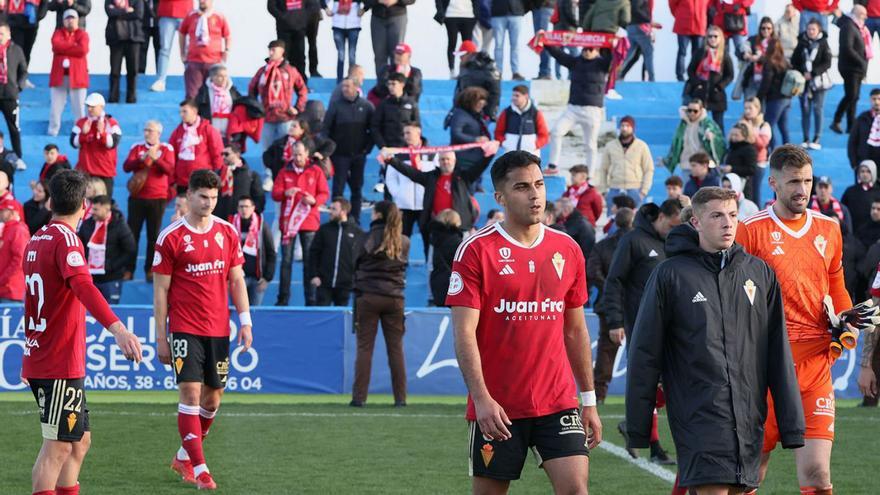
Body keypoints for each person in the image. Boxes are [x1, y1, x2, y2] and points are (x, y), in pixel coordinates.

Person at [628, 186, 805, 495]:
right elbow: (645, 353)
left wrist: (791, 424)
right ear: (695, 222)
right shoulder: (670, 275)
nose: (727, 223)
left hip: (749, 415)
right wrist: (638, 426)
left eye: (733, 215)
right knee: (712, 488)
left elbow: (778, 351)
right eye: (717, 216)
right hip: (697, 412)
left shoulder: (759, 273)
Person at [447, 150, 602, 493]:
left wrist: (588, 400)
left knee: (576, 489)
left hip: (558, 400)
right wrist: (482, 398)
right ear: (500, 197)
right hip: (499, 406)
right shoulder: (476, 250)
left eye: (539, 184)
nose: (534, 195)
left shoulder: (568, 248)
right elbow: (464, 333)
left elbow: (575, 330)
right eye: (522, 187)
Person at [735, 145, 861, 495]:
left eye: (807, 180)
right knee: (748, 475)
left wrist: (847, 318)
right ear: (773, 182)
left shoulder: (829, 228)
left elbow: (837, 287)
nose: (802, 189)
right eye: (793, 181)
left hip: (816, 366)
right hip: (764, 369)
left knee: (818, 474)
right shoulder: (750, 231)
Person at [23, 170, 142, 495]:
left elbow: (35, 303)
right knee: (59, 446)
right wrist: (118, 329)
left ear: (50, 201)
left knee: (78, 442)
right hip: (57, 360)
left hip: (48, 356)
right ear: (85, 207)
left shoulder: (37, 238)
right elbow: (83, 285)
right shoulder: (66, 239)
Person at [153, 169, 251, 491]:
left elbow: (236, 279)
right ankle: (201, 469)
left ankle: (184, 454)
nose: (209, 203)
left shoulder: (227, 232)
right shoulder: (171, 237)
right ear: (189, 196)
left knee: (212, 400)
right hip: (184, 328)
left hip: (219, 329)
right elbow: (161, 292)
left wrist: (245, 321)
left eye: (213, 197)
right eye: (202, 197)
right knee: (190, 393)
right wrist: (161, 338)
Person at [351, 200, 409, 406]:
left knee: (364, 348)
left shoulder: (365, 238)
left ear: (377, 215)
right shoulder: (404, 241)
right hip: (395, 299)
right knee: (396, 349)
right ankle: (400, 399)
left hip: (368, 297)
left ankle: (359, 399)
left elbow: (354, 264)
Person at [271, 141, 329, 306]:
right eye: (294, 154)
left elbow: (324, 193)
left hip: (309, 221)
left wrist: (314, 201)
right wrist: (285, 193)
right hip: (289, 223)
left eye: (300, 154)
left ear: (307, 154)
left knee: (310, 262)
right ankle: (283, 298)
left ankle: (310, 299)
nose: (297, 157)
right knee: (286, 261)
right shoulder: (284, 172)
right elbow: (275, 194)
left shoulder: (315, 171)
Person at [382, 147, 488, 232]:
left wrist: (489, 154)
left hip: (460, 227)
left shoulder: (464, 177)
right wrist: (391, 160)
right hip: (438, 227)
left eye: (448, 159)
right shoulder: (431, 177)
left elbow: (480, 167)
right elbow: (411, 173)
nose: (445, 162)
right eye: (442, 159)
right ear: (438, 161)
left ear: (454, 161)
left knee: (461, 258)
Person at [588, 207, 633, 403]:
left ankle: (599, 395)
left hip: (607, 303)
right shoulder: (639, 243)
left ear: (615, 222)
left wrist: (610, 286)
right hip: (635, 303)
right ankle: (653, 396)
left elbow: (593, 271)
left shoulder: (603, 245)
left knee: (606, 352)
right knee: (645, 349)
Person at [544, 41, 611, 172]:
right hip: (573, 109)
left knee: (590, 144)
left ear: (596, 50)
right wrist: (546, 42)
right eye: (585, 49)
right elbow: (559, 54)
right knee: (556, 132)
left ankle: (590, 175)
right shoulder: (575, 62)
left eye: (590, 49)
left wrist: (613, 44)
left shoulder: (602, 64)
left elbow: (616, 56)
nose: (587, 51)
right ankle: (553, 165)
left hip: (593, 111)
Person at [123, 120, 174, 281]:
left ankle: (150, 270)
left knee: (154, 236)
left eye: (151, 130)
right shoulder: (136, 147)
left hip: (157, 197)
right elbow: (126, 167)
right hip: (137, 197)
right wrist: (141, 159)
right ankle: (128, 269)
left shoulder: (167, 148)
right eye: (146, 130)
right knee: (132, 234)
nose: (147, 133)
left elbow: (169, 170)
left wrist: (156, 159)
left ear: (158, 133)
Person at [323, 77, 374, 222]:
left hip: (359, 155)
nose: (344, 89)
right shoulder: (335, 106)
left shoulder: (367, 106)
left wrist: (367, 149)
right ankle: (336, 218)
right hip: (339, 156)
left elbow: (374, 129)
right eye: (343, 86)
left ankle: (355, 219)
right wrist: (329, 151)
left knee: (356, 189)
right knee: (338, 189)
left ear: (356, 87)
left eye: (347, 86)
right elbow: (325, 130)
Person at [383, 123, 435, 256]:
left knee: (428, 241)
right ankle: (400, 271)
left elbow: (436, 177)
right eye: (404, 133)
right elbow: (390, 178)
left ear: (419, 133)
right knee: (401, 240)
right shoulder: (399, 153)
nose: (406, 136)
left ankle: (430, 270)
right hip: (404, 205)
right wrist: (398, 194)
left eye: (408, 133)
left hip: (425, 206)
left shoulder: (432, 153)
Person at [249, 39, 308, 151]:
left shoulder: (290, 70)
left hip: (285, 117)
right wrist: (256, 109)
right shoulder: (262, 71)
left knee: (286, 149)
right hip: (267, 118)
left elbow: (302, 89)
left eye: (273, 50)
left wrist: (297, 108)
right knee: (267, 151)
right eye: (269, 50)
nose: (271, 53)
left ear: (282, 51)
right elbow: (252, 89)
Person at [77, 194, 136, 304]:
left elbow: (130, 250)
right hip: (90, 279)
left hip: (111, 278)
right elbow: (79, 245)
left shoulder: (120, 225)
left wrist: (112, 266)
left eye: (96, 209)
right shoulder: (87, 224)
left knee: (111, 312)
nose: (92, 212)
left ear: (106, 208)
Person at [308, 197, 363, 306]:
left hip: (345, 285)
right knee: (322, 317)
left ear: (343, 212)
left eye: (334, 209)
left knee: (341, 319)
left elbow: (361, 259)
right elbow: (313, 254)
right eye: (330, 208)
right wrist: (314, 275)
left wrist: (355, 279)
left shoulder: (357, 232)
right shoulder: (323, 230)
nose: (330, 212)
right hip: (324, 283)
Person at [595, 115, 654, 209]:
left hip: (634, 189)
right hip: (615, 188)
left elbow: (649, 169)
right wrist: (604, 191)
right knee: (614, 220)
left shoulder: (641, 146)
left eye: (627, 126)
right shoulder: (610, 146)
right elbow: (603, 169)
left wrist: (643, 191)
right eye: (622, 125)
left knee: (634, 221)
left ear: (633, 128)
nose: (624, 128)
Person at [70, 93, 122, 196]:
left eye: (93, 106)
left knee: (103, 206)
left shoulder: (112, 123)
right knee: (84, 206)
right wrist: (83, 134)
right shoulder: (81, 122)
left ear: (101, 106)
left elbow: (112, 144)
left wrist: (102, 133)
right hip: (85, 172)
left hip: (104, 172)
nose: (89, 109)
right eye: (88, 106)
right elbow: (73, 143)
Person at [684, 25, 733, 132]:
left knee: (718, 125)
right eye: (710, 36)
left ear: (720, 38)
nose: (713, 39)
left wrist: (720, 86)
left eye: (715, 36)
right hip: (700, 94)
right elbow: (690, 70)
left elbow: (730, 75)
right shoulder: (700, 53)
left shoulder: (724, 55)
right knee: (698, 125)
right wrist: (697, 84)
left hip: (717, 96)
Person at [791, 19, 831, 150]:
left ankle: (817, 138)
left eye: (813, 29)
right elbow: (794, 60)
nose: (811, 32)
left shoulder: (823, 43)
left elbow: (827, 62)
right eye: (809, 29)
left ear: (818, 30)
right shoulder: (801, 43)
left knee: (817, 108)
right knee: (805, 109)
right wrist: (802, 72)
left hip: (819, 82)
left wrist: (813, 73)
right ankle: (806, 138)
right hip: (803, 83)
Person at [169, 99, 224, 195]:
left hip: (203, 180)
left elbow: (217, 154)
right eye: (180, 112)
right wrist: (172, 180)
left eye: (185, 111)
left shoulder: (208, 129)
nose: (181, 114)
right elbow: (171, 158)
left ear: (194, 111)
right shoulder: (177, 132)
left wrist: (216, 176)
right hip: (182, 182)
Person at [179, 0, 231, 99]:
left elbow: (227, 35)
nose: (202, 1)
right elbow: (182, 33)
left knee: (213, 95)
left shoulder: (219, 16)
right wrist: (182, 53)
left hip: (214, 62)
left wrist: (227, 50)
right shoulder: (191, 16)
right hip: (194, 61)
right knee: (192, 95)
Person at [48, 9, 88, 137]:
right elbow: (56, 46)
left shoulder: (83, 34)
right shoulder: (57, 33)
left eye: (73, 18)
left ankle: (81, 132)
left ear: (77, 20)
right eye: (67, 18)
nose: (70, 20)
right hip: (59, 76)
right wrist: (73, 46)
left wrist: (65, 47)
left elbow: (83, 49)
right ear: (63, 21)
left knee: (79, 108)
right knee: (55, 108)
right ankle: (53, 131)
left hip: (77, 77)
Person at [664, 98, 726, 178]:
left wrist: (712, 138)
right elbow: (676, 144)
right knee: (689, 189)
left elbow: (719, 141)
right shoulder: (683, 125)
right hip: (687, 164)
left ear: (701, 110)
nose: (692, 113)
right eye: (689, 110)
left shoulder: (707, 124)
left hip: (704, 166)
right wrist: (668, 160)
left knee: (706, 190)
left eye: (695, 111)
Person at [445, 86, 492, 191]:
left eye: (482, 104)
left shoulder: (477, 115)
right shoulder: (460, 114)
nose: (481, 106)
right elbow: (456, 133)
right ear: (470, 102)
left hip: (475, 159)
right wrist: (475, 139)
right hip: (462, 160)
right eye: (478, 104)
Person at [831, 4, 868, 135]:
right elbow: (847, 48)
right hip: (850, 67)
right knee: (851, 95)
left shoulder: (858, 27)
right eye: (863, 14)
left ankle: (851, 126)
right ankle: (836, 120)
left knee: (854, 97)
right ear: (856, 13)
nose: (866, 17)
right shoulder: (849, 26)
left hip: (857, 68)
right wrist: (861, 61)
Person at [232, 195, 275, 307]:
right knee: (237, 313)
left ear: (253, 208)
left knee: (255, 316)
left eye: (246, 206)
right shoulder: (230, 226)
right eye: (241, 207)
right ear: (237, 208)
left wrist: (267, 279)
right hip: (237, 278)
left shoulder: (262, 226)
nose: (244, 210)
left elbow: (271, 253)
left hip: (258, 280)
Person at [104, 0, 144, 104]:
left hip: (133, 39)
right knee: (115, 71)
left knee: (133, 71)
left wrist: (118, 12)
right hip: (115, 39)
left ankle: (131, 98)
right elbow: (109, 12)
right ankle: (113, 97)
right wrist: (127, 10)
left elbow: (138, 14)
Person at [493, 84, 549, 156]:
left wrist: (535, 145)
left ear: (526, 96)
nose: (513, 98)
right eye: (513, 95)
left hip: (531, 156)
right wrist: (504, 143)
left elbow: (544, 135)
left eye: (517, 95)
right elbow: (498, 132)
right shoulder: (506, 112)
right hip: (510, 155)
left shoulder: (536, 113)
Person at [756, 38, 792, 149]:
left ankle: (772, 150)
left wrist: (759, 97)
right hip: (787, 97)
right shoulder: (784, 62)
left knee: (768, 125)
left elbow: (766, 82)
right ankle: (789, 150)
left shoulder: (769, 63)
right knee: (783, 126)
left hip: (775, 98)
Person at [214, 143, 263, 222]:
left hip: (242, 222)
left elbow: (259, 198)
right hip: (220, 219)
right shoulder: (217, 175)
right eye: (222, 154)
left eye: (227, 154)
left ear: (237, 154)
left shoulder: (250, 175)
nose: (223, 157)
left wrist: (249, 215)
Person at [370, 72, 419, 149]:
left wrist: (413, 143)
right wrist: (382, 146)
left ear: (402, 84)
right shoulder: (383, 104)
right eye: (389, 84)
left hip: (407, 148)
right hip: (389, 148)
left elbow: (417, 125)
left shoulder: (411, 103)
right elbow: (375, 127)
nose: (390, 87)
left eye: (393, 84)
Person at [363, 0, 413, 75]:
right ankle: (381, 83)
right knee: (379, 55)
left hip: (398, 16)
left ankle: (397, 82)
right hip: (378, 18)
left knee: (398, 54)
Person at [150, 0, 190, 92]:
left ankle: (190, 80)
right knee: (164, 49)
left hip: (185, 12)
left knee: (188, 50)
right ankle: (161, 81)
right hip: (167, 13)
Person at [454, 40, 501, 120]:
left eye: (462, 55)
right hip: (465, 113)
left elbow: (495, 92)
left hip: (481, 114)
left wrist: (488, 113)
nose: (460, 58)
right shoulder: (464, 69)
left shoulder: (486, 67)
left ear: (469, 54)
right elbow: (459, 90)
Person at [266, 0, 313, 80]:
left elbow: (312, 5)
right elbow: (271, 6)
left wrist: (303, 18)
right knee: (283, 56)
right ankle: (282, 81)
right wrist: (282, 17)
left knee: (300, 57)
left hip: (300, 28)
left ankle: (301, 82)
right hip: (284, 28)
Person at [195, 64, 242, 140]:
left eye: (226, 76)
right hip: (209, 134)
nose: (224, 79)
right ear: (212, 77)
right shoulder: (204, 92)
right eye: (220, 76)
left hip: (229, 135)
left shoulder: (232, 91)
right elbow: (197, 111)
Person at [0, 23, 26, 159]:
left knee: (14, 128)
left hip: (10, 95)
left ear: (8, 34)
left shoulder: (16, 50)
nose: (0, 36)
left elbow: (23, 71)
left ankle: (18, 156)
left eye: (2, 33)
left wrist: (18, 86)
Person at [428, 208, 463, 306]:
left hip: (438, 278)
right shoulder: (459, 241)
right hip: (456, 282)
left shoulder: (433, 239)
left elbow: (430, 264)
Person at [740, 96, 771, 205]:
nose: (747, 111)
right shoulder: (741, 123)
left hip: (758, 163)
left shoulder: (764, 125)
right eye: (745, 108)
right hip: (743, 163)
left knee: (755, 192)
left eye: (750, 108)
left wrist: (750, 131)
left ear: (758, 109)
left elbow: (762, 144)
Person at [435, 0, 477, 78]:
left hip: (468, 15)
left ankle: (467, 70)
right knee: (452, 44)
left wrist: (477, 13)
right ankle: (452, 71)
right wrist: (440, 11)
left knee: (468, 47)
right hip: (451, 14)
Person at [670, 0, 710, 82]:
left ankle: (695, 75)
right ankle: (680, 76)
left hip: (699, 25)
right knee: (682, 51)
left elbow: (710, 6)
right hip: (683, 25)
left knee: (697, 53)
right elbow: (672, 4)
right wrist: (679, 15)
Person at [619, 0, 657, 82]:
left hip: (631, 26)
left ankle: (616, 76)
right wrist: (648, 21)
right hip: (640, 26)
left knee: (628, 54)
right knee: (648, 53)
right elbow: (636, 8)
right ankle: (651, 79)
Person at [740, 16, 775, 102]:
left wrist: (759, 59)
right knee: (750, 107)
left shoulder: (775, 43)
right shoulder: (753, 39)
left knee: (764, 111)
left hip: (768, 81)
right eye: (763, 28)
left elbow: (775, 60)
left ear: (772, 29)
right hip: (752, 78)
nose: (766, 30)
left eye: (769, 28)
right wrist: (745, 54)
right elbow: (741, 48)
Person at [719, 122, 757, 200]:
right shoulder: (730, 148)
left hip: (742, 185)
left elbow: (751, 169)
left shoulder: (749, 149)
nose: (733, 137)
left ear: (744, 136)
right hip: (728, 182)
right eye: (732, 134)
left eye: (736, 135)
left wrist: (732, 168)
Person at [489, 0, 525, 80]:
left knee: (515, 45)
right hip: (497, 13)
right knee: (498, 45)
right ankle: (498, 71)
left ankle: (515, 72)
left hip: (516, 13)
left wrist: (522, 9)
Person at [0, 197, 27, 302]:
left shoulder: (18, 230)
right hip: (5, 289)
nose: (1, 213)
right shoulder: (8, 229)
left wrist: (3, 279)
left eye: (3, 210)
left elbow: (19, 260)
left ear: (11, 212)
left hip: (11, 290)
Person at [842, 160, 880, 235]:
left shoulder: (878, 191)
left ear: (873, 172)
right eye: (862, 171)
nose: (865, 174)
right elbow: (843, 210)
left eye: (868, 171)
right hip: (855, 232)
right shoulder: (850, 191)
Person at [329, 0, 364, 82]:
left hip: (353, 26)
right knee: (341, 54)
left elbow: (368, 2)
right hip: (338, 25)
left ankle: (352, 80)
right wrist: (326, 9)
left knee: (352, 55)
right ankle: (340, 81)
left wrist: (364, 9)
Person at [847, 89, 880, 171]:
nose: (876, 102)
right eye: (874, 99)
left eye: (879, 99)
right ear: (870, 100)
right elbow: (852, 142)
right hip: (864, 164)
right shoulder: (862, 118)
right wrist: (854, 164)